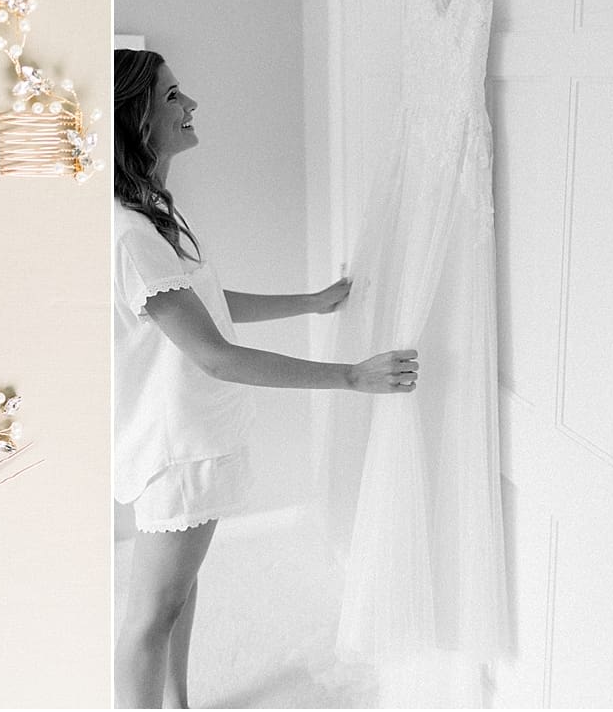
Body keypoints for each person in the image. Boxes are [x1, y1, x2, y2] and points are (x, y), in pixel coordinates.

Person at [113, 48, 419, 709]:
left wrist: (310, 300)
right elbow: (216, 353)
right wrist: (351, 376)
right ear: (134, 119)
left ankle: (177, 701)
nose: (190, 105)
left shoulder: (156, 219)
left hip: (196, 436)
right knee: (148, 617)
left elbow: (210, 304)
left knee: (179, 593)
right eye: (171, 97)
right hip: (177, 451)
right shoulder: (129, 234)